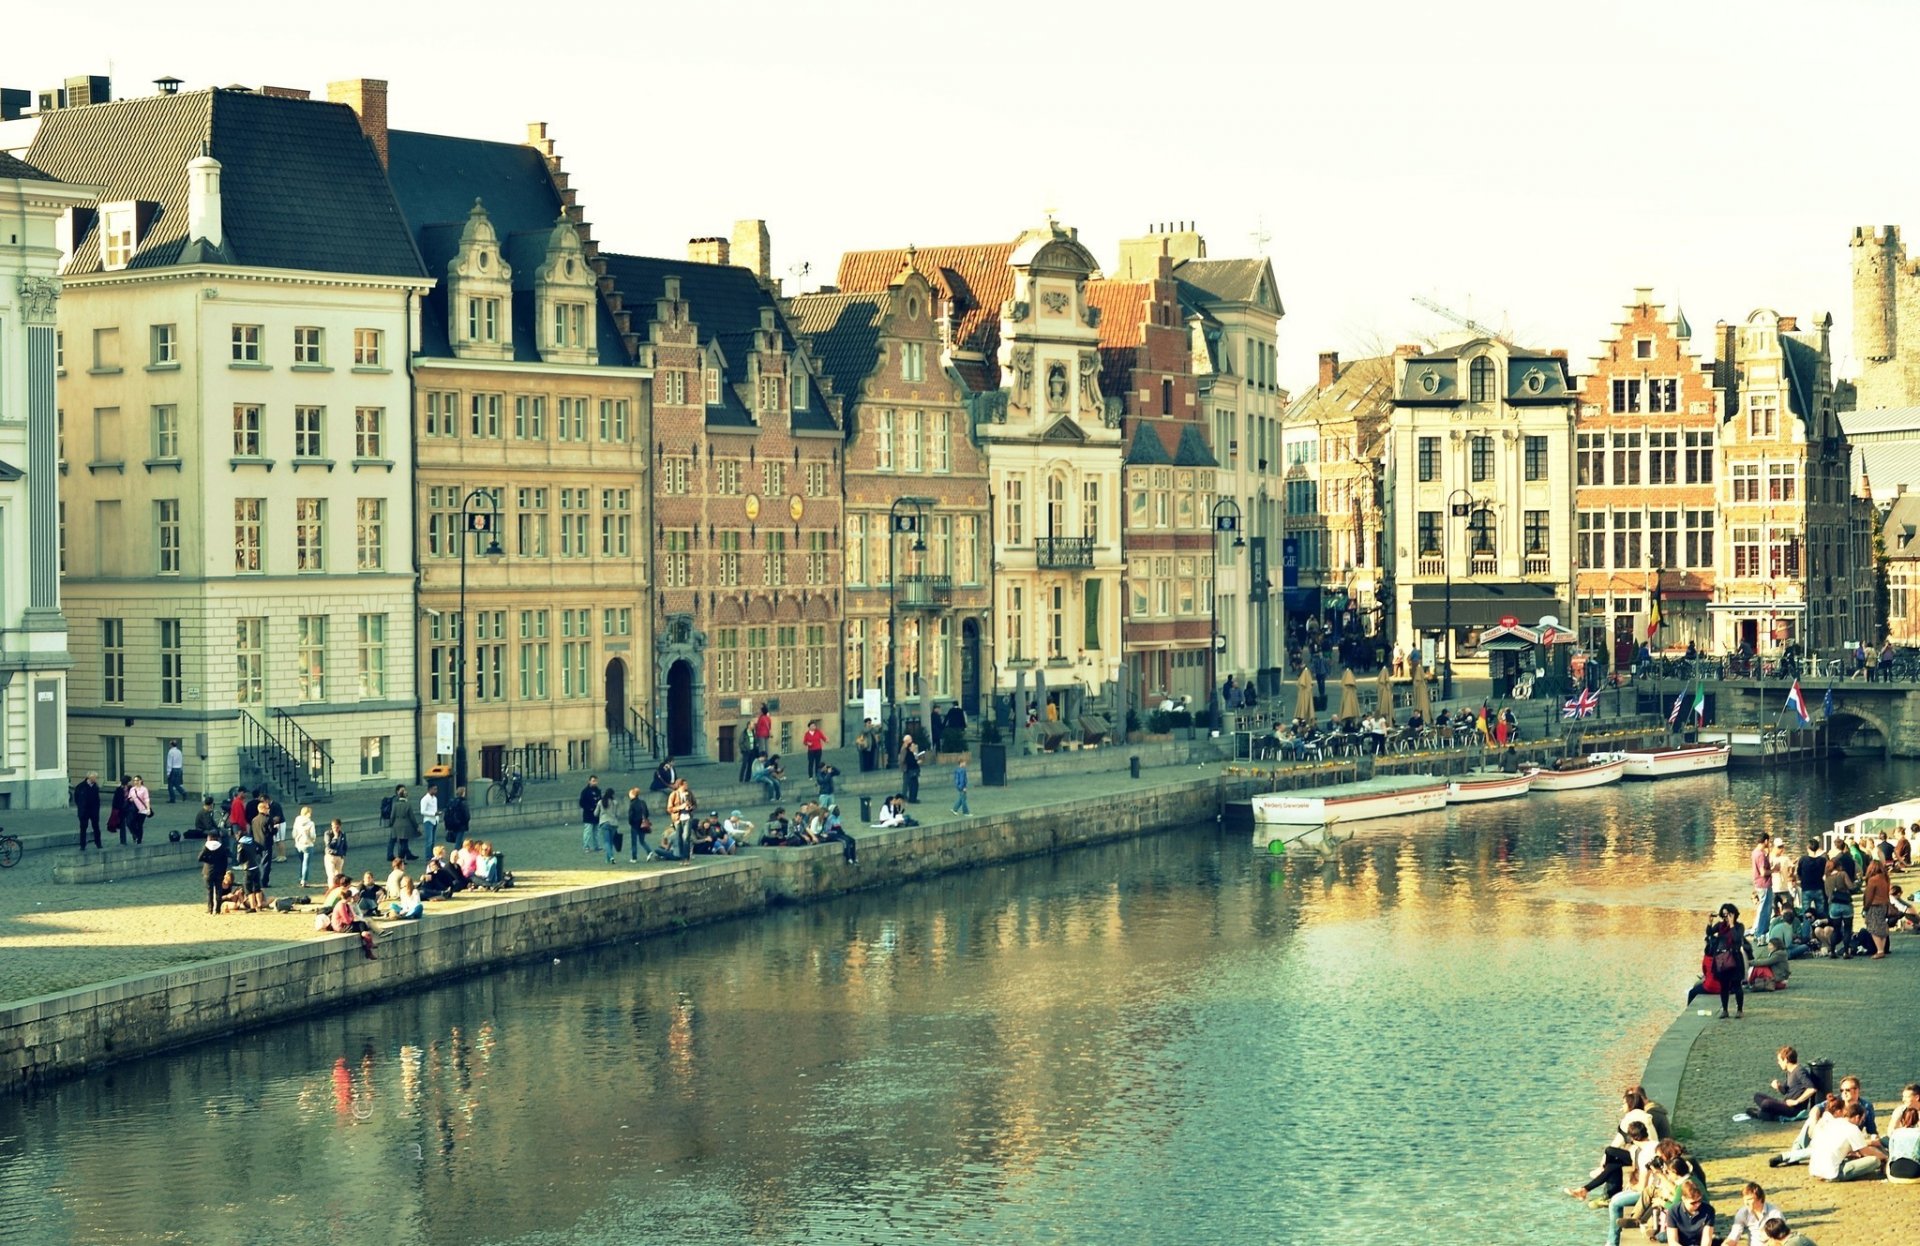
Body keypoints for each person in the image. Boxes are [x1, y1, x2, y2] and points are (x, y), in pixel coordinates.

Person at [1771, 1075, 1876, 1167]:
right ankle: (1795, 1151)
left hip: (1849, 1141)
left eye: (1847, 1090)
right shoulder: (1836, 1102)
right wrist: (1813, 1122)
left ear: (1857, 1090)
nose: (1844, 1093)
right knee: (1810, 1122)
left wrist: (1873, 1139)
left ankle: (1789, 1156)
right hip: (1830, 1138)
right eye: (1841, 1090)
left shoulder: (1866, 1107)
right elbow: (1816, 1108)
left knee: (1824, 1150)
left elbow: (1872, 1131)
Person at [1808, 1099, 1884, 1181]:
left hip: (1814, 1168)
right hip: (1832, 1173)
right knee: (1875, 1161)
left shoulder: (1833, 1122)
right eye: (1862, 1120)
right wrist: (1884, 1157)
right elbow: (1865, 1152)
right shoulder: (1853, 1128)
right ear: (1857, 1117)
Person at [1753, 1046, 1820, 1120]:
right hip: (1785, 1103)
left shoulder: (1800, 1071)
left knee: (1766, 1103)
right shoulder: (1789, 1071)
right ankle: (1766, 1113)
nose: (1778, 1063)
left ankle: (1765, 1114)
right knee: (1757, 1096)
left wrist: (1796, 1101)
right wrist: (1778, 1086)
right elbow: (1785, 1091)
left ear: (1785, 1060)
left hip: (1794, 1109)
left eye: (1779, 1060)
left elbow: (1812, 1089)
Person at [1724, 1181, 1784, 1246]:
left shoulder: (1775, 1214)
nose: (1746, 1203)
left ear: (1760, 1199)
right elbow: (1734, 1235)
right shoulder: (1742, 1213)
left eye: (1750, 1199)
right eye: (1745, 1200)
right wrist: (1727, 1244)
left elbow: (1781, 1238)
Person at [1663, 1179, 1716, 1246]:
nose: (1697, 1204)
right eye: (1693, 1203)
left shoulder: (1708, 1210)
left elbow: (1707, 1238)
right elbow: (1673, 1241)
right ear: (1683, 1199)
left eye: (1699, 1200)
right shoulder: (1673, 1211)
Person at [1824, 855, 1855, 957]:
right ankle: (1846, 952)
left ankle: (1832, 951)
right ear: (1839, 866)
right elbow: (1851, 886)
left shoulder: (1827, 878)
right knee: (1847, 928)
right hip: (1845, 904)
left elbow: (1827, 893)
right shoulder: (1842, 874)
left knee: (1836, 929)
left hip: (1833, 905)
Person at [1861, 857, 1892, 958]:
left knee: (1873, 927)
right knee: (1881, 926)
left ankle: (1879, 950)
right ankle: (1881, 949)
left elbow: (1869, 896)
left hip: (1874, 905)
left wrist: (1865, 908)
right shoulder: (1885, 878)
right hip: (1884, 904)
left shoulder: (1872, 880)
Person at [385, 784, 420, 862]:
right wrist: (416, 826)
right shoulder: (407, 804)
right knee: (403, 842)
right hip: (405, 826)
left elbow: (392, 816)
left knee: (399, 842)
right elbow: (412, 817)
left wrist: (391, 823)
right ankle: (400, 858)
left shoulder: (395, 804)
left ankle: (405, 855)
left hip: (396, 825)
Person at [197, 833, 231, 914]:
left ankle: (210, 909)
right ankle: (218, 909)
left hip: (208, 871)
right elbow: (225, 861)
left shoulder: (206, 847)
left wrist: (208, 861)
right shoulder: (221, 847)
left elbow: (200, 858)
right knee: (219, 891)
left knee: (209, 891)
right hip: (219, 872)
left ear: (210, 838)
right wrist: (223, 871)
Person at [74, 771, 102, 851]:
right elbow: (77, 798)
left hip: (93, 811)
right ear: (89, 778)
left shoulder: (95, 787)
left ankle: (98, 843)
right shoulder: (81, 786)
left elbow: (97, 800)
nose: (96, 779)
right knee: (83, 828)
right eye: (94, 777)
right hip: (84, 811)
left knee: (96, 827)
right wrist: (80, 806)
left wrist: (97, 809)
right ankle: (82, 845)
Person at [290, 805, 318, 887]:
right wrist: (313, 840)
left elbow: (294, 833)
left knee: (302, 862)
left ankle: (300, 877)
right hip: (308, 845)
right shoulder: (311, 823)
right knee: (306, 864)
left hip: (298, 845)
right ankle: (304, 880)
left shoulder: (297, 821)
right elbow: (312, 835)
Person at [578, 775, 603, 855]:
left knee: (596, 832)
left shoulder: (598, 791)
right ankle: (586, 846)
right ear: (589, 781)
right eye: (593, 781)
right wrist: (590, 808)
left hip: (597, 815)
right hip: (588, 815)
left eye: (596, 781)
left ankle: (597, 846)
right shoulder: (585, 791)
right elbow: (581, 803)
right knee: (588, 831)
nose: (595, 782)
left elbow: (600, 801)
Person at [626, 787, 652, 862]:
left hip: (634, 824)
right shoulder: (642, 802)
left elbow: (630, 815)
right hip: (642, 824)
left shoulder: (632, 804)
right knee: (642, 840)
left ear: (632, 795)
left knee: (634, 842)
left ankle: (634, 858)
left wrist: (631, 822)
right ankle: (649, 851)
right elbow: (647, 813)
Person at [598, 788, 622, 864]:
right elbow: (618, 814)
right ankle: (608, 859)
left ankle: (611, 857)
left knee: (606, 842)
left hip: (604, 822)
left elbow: (595, 813)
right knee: (610, 842)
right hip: (613, 824)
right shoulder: (615, 802)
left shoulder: (600, 802)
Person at [900, 732, 923, 803]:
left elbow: (915, 756)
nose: (911, 741)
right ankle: (906, 798)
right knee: (908, 784)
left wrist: (915, 753)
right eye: (910, 740)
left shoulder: (911, 747)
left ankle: (910, 797)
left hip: (912, 768)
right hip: (908, 769)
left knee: (911, 784)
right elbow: (903, 759)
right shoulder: (904, 749)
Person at [324, 818, 348, 884]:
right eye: (333, 827)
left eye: (337, 827)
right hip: (330, 856)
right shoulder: (328, 834)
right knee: (331, 875)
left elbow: (345, 844)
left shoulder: (343, 834)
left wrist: (343, 853)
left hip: (339, 857)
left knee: (339, 875)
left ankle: (338, 888)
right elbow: (329, 846)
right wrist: (335, 837)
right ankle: (331, 888)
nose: (335, 829)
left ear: (340, 827)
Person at [165, 740, 186, 804]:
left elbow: (169, 763)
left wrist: (168, 772)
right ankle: (183, 792)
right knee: (177, 784)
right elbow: (181, 761)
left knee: (170, 786)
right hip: (179, 769)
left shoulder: (171, 752)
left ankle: (172, 799)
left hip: (173, 769)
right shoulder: (179, 751)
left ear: (171, 745)